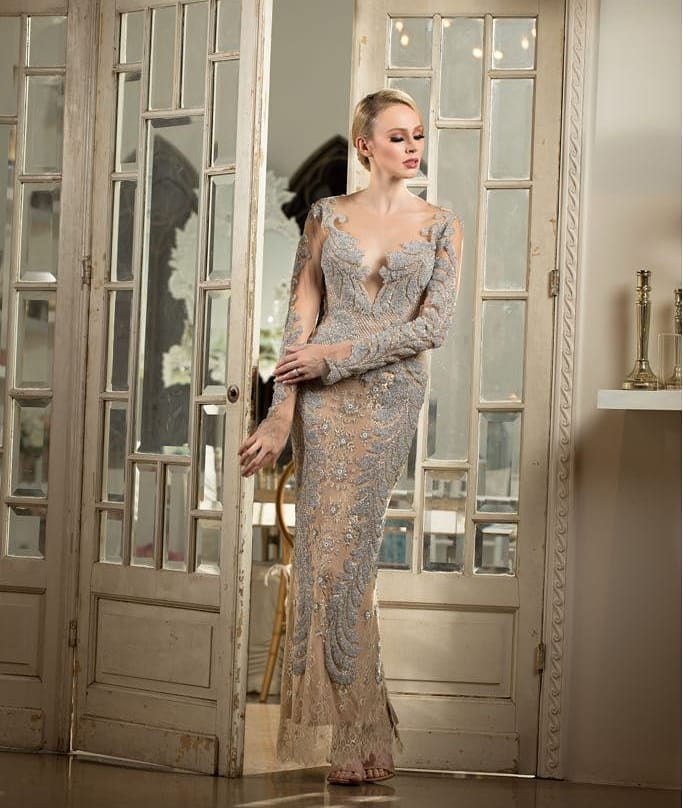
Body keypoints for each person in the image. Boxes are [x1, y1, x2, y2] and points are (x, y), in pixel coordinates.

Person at [238, 88, 463, 786]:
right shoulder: (324, 216)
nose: (412, 147)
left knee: (351, 557)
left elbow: (431, 329)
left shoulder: (442, 226)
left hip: (388, 397)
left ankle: (360, 729)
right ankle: (358, 732)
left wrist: (337, 356)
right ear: (365, 145)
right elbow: (298, 318)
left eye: (417, 135)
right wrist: (280, 414)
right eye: (397, 136)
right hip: (321, 405)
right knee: (323, 559)